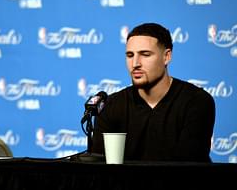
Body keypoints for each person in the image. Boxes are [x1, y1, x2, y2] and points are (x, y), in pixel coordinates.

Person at [91, 23, 216, 162]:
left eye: (145, 54)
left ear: (166, 57)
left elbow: (188, 170)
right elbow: (100, 170)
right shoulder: (111, 105)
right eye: (130, 55)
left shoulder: (196, 102)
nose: (135, 63)